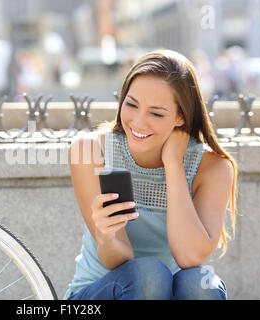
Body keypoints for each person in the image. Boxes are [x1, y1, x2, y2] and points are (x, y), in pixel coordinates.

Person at [64, 49, 237, 300]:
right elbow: (118, 258)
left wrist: (174, 164)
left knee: (201, 286)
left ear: (180, 117)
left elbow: (190, 257)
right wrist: (106, 236)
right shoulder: (90, 150)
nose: (138, 122)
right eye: (131, 104)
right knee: (149, 277)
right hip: (99, 292)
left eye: (156, 113)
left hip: (167, 292)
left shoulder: (213, 168)